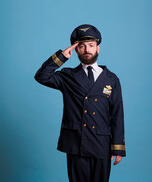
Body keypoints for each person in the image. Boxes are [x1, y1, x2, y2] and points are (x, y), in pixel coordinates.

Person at [34, 24, 126, 182]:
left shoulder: (111, 79)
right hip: (76, 144)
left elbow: (117, 114)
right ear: (76, 50)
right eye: (82, 46)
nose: (87, 50)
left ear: (98, 48)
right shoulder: (67, 76)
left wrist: (117, 147)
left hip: (101, 144)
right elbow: (42, 76)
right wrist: (62, 56)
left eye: (91, 45)